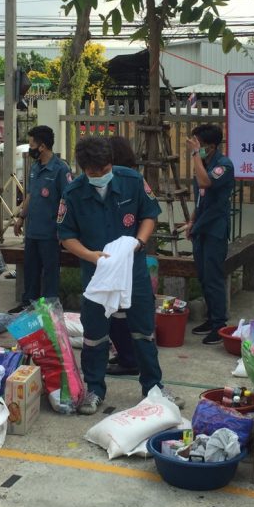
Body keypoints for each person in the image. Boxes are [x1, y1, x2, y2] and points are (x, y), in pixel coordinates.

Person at [57, 136, 183, 415]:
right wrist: (91, 256)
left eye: (106, 169)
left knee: (143, 330)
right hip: (97, 274)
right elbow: (66, 236)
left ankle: (154, 387)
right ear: (84, 169)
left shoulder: (131, 181)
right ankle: (94, 389)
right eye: (95, 172)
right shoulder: (73, 193)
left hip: (133, 270)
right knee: (94, 333)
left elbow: (149, 215)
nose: (102, 175)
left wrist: (138, 242)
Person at [9, 125, 72, 313]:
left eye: (31, 145)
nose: (30, 149)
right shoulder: (35, 167)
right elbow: (31, 195)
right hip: (33, 231)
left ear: (42, 146)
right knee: (31, 270)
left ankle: (49, 309)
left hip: (50, 233)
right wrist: (21, 217)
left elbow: (68, 201)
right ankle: (28, 304)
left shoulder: (60, 169)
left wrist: (64, 231)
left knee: (50, 273)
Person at [185, 124, 235, 345]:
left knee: (214, 277)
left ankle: (219, 324)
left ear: (212, 146)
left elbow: (206, 182)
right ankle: (210, 318)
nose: (196, 148)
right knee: (204, 276)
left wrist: (195, 155)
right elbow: (200, 197)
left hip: (215, 229)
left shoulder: (223, 165)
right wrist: (191, 221)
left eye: (200, 145)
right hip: (201, 227)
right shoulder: (203, 164)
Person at [105, 135, 139, 376]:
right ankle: (126, 354)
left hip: (120, 255)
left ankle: (129, 359)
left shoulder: (128, 181)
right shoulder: (132, 178)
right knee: (119, 310)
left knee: (118, 312)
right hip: (126, 252)